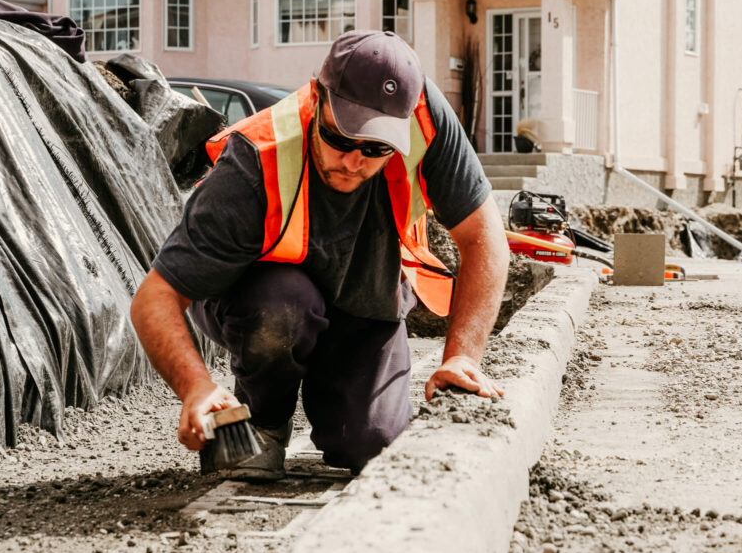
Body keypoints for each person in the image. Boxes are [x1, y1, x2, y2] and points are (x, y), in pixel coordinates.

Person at [130, 30, 510, 480]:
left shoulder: (426, 121)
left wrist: (462, 357)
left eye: (375, 148)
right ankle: (257, 427)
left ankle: (340, 409)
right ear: (318, 97)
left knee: (375, 445)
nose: (354, 162)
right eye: (340, 138)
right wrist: (196, 387)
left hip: (364, 300)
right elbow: (153, 299)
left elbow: (486, 239)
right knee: (283, 309)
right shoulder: (256, 159)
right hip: (264, 303)